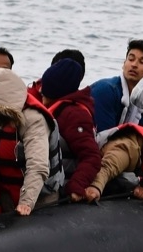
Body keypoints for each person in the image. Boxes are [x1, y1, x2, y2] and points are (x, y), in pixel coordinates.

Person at [0, 67, 63, 215]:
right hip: (7, 193)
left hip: (41, 198)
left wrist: (26, 202)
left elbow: (38, 165)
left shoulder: (34, 120)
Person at [38, 58, 102, 203]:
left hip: (64, 183)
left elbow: (91, 156)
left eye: (45, 93)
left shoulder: (74, 115)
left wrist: (76, 186)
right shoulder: (60, 108)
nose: (42, 96)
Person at [91, 39, 143, 132]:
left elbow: (139, 137)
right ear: (124, 64)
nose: (134, 65)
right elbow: (102, 138)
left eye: (142, 62)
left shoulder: (139, 104)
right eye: (131, 59)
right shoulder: (106, 90)